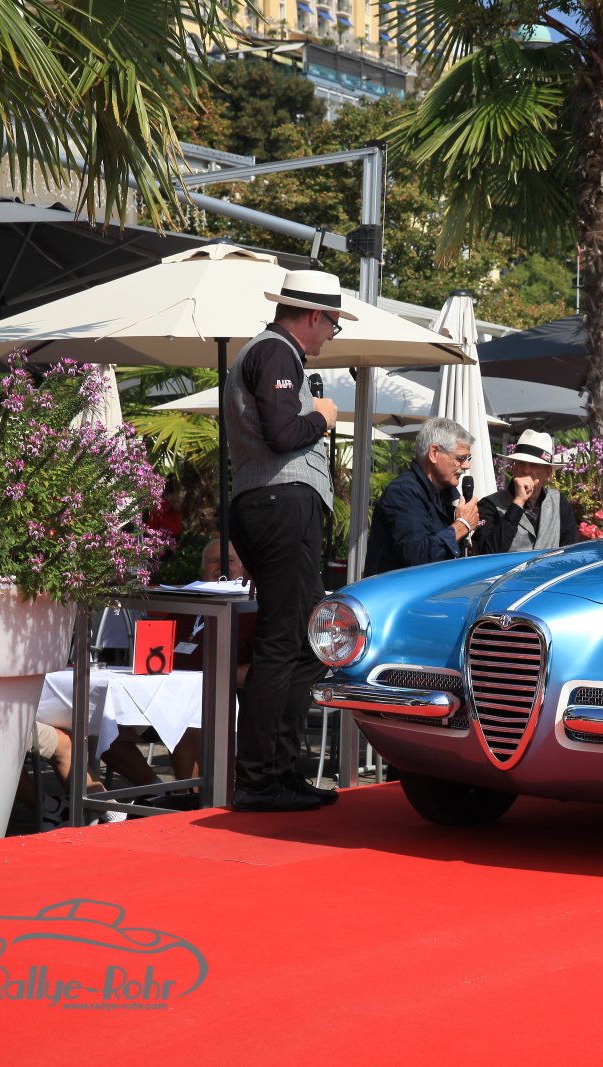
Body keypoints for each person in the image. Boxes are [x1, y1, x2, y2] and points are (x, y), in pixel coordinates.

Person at [223, 267, 348, 813]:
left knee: (302, 642)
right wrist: (321, 417)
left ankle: (278, 769)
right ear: (315, 316)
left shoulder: (272, 353)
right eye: (334, 325)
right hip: (279, 504)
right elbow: (282, 434)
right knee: (286, 642)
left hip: (270, 505)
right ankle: (259, 778)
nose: (332, 335)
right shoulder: (275, 352)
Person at [361, 417, 481, 576]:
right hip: (397, 591)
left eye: (468, 458)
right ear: (434, 453)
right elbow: (418, 557)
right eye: (461, 458)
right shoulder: (402, 493)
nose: (466, 466)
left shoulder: (449, 496)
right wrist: (461, 526)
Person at [472, 429, 580, 554]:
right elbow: (487, 553)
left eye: (534, 464)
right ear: (513, 468)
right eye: (521, 463)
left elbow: (571, 551)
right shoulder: (489, 504)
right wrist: (518, 503)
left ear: (547, 473)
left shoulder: (558, 502)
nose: (526, 470)